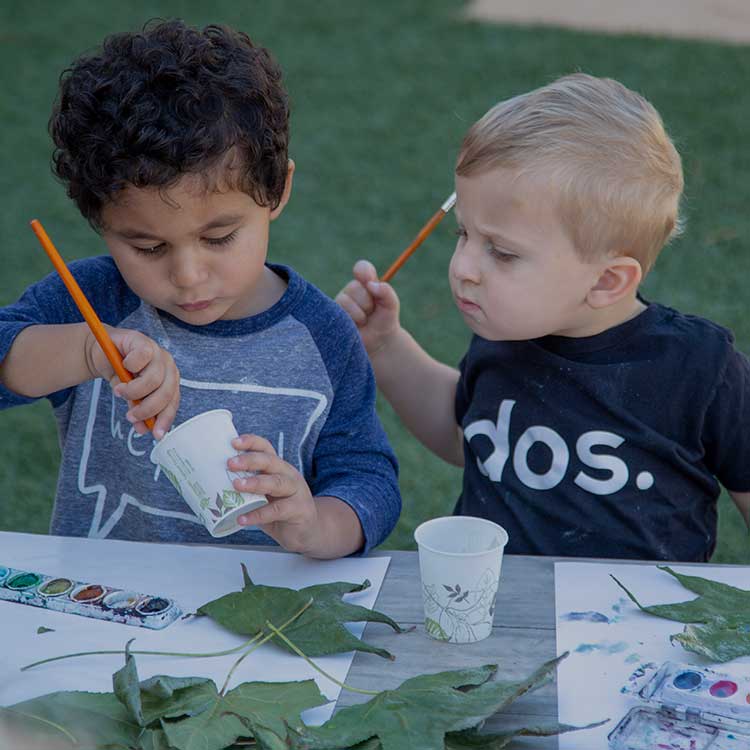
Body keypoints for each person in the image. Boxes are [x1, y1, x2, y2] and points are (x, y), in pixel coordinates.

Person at [0, 20, 400, 559]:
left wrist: (315, 524)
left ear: (276, 189)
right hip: (103, 606)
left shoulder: (322, 334)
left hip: (260, 618)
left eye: (219, 237)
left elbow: (368, 479)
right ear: (99, 220)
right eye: (148, 248)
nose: (188, 276)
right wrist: (87, 349)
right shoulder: (93, 298)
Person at [337, 73, 750, 562]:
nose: (465, 268)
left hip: (642, 628)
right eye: (463, 234)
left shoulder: (701, 368)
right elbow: (465, 435)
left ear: (606, 282)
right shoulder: (505, 340)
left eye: (503, 253)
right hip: (498, 613)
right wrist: (385, 347)